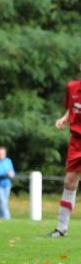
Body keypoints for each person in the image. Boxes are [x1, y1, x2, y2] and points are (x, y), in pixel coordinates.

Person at [49, 75, 81, 237]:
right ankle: (62, 228)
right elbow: (72, 108)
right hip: (76, 141)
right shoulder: (72, 87)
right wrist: (64, 119)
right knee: (69, 182)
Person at [0, 146, 15, 220]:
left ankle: (0, 217)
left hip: (7, 184)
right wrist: (6, 173)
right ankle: (8, 218)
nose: (1, 155)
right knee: (3, 202)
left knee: (4, 203)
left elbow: (12, 171)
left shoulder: (8, 161)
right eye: (0, 153)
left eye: (3, 153)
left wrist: (11, 174)